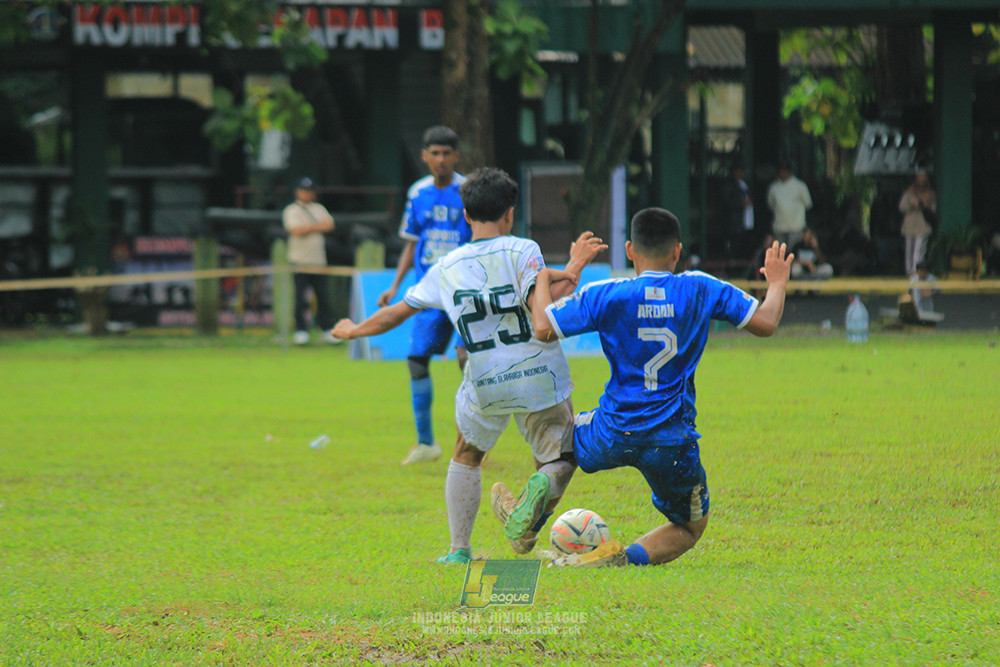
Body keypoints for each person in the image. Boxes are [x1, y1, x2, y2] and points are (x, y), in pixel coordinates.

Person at [332, 167, 608, 564]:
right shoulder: (523, 250)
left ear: (465, 215)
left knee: (466, 452)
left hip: (484, 378)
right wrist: (575, 266)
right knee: (559, 459)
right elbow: (548, 301)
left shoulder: (446, 267)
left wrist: (356, 330)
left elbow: (397, 312)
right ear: (510, 213)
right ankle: (530, 511)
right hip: (539, 374)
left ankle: (459, 549)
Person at [531, 207, 794, 567]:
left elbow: (543, 327)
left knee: (560, 444)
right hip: (672, 439)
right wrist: (777, 283)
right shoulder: (700, 287)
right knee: (689, 527)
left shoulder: (606, 293)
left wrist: (543, 278)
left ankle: (536, 508)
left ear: (629, 250)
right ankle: (623, 560)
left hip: (613, 429)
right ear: (677, 251)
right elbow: (765, 322)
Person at [377, 126, 470, 465]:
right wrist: (394, 286)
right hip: (430, 292)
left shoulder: (469, 191)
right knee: (416, 360)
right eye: (435, 153)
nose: (441, 159)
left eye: (447, 153)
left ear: (456, 156)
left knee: (467, 360)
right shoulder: (417, 193)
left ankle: (472, 442)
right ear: (425, 156)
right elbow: (412, 243)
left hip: (464, 291)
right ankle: (427, 443)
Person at [282, 177, 338, 345]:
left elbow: (329, 225)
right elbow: (296, 230)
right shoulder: (291, 210)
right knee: (300, 298)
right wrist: (316, 226)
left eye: (310, 191)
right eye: (304, 190)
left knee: (323, 296)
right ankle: (301, 330)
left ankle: (327, 328)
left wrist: (309, 228)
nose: (307, 194)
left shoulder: (319, 208)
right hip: (299, 261)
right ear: (297, 192)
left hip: (318, 261)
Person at [767, 160, 813, 249]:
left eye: (785, 170)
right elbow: (771, 205)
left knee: (794, 252)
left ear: (790, 171)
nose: (783, 173)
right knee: (780, 253)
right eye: (781, 170)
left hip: (796, 227)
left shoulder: (800, 186)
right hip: (779, 227)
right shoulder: (774, 187)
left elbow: (808, 204)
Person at [898, 170, 936, 276]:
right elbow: (902, 207)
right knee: (909, 249)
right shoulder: (909, 193)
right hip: (910, 223)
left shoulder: (930, 194)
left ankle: (917, 272)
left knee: (919, 249)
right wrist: (913, 206)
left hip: (922, 224)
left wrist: (925, 204)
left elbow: (933, 210)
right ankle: (909, 271)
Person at [719, 160, 754, 259]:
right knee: (733, 247)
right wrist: (741, 203)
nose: (740, 173)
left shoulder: (744, 184)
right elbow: (726, 202)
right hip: (734, 224)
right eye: (738, 171)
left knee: (744, 247)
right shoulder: (729, 185)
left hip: (746, 222)